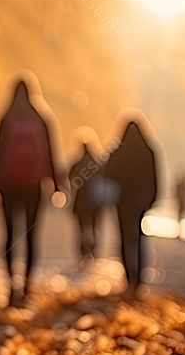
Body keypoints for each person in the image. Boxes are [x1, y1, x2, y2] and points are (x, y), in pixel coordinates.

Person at [0, 74, 65, 307]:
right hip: (34, 186)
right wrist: (56, 185)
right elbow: (52, 152)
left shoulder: (5, 118)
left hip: (8, 186)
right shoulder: (41, 118)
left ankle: (11, 286)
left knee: (10, 235)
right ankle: (28, 285)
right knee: (32, 236)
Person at [104, 115, 160, 295]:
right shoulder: (148, 151)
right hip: (140, 201)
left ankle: (129, 277)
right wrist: (152, 199)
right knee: (138, 237)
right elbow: (155, 178)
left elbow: (107, 174)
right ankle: (139, 278)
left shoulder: (119, 151)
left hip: (123, 200)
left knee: (123, 237)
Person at [67, 127, 104, 262]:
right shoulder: (98, 163)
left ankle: (83, 251)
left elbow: (69, 178)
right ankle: (93, 249)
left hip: (81, 201)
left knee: (81, 228)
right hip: (95, 201)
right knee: (95, 226)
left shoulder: (77, 163)